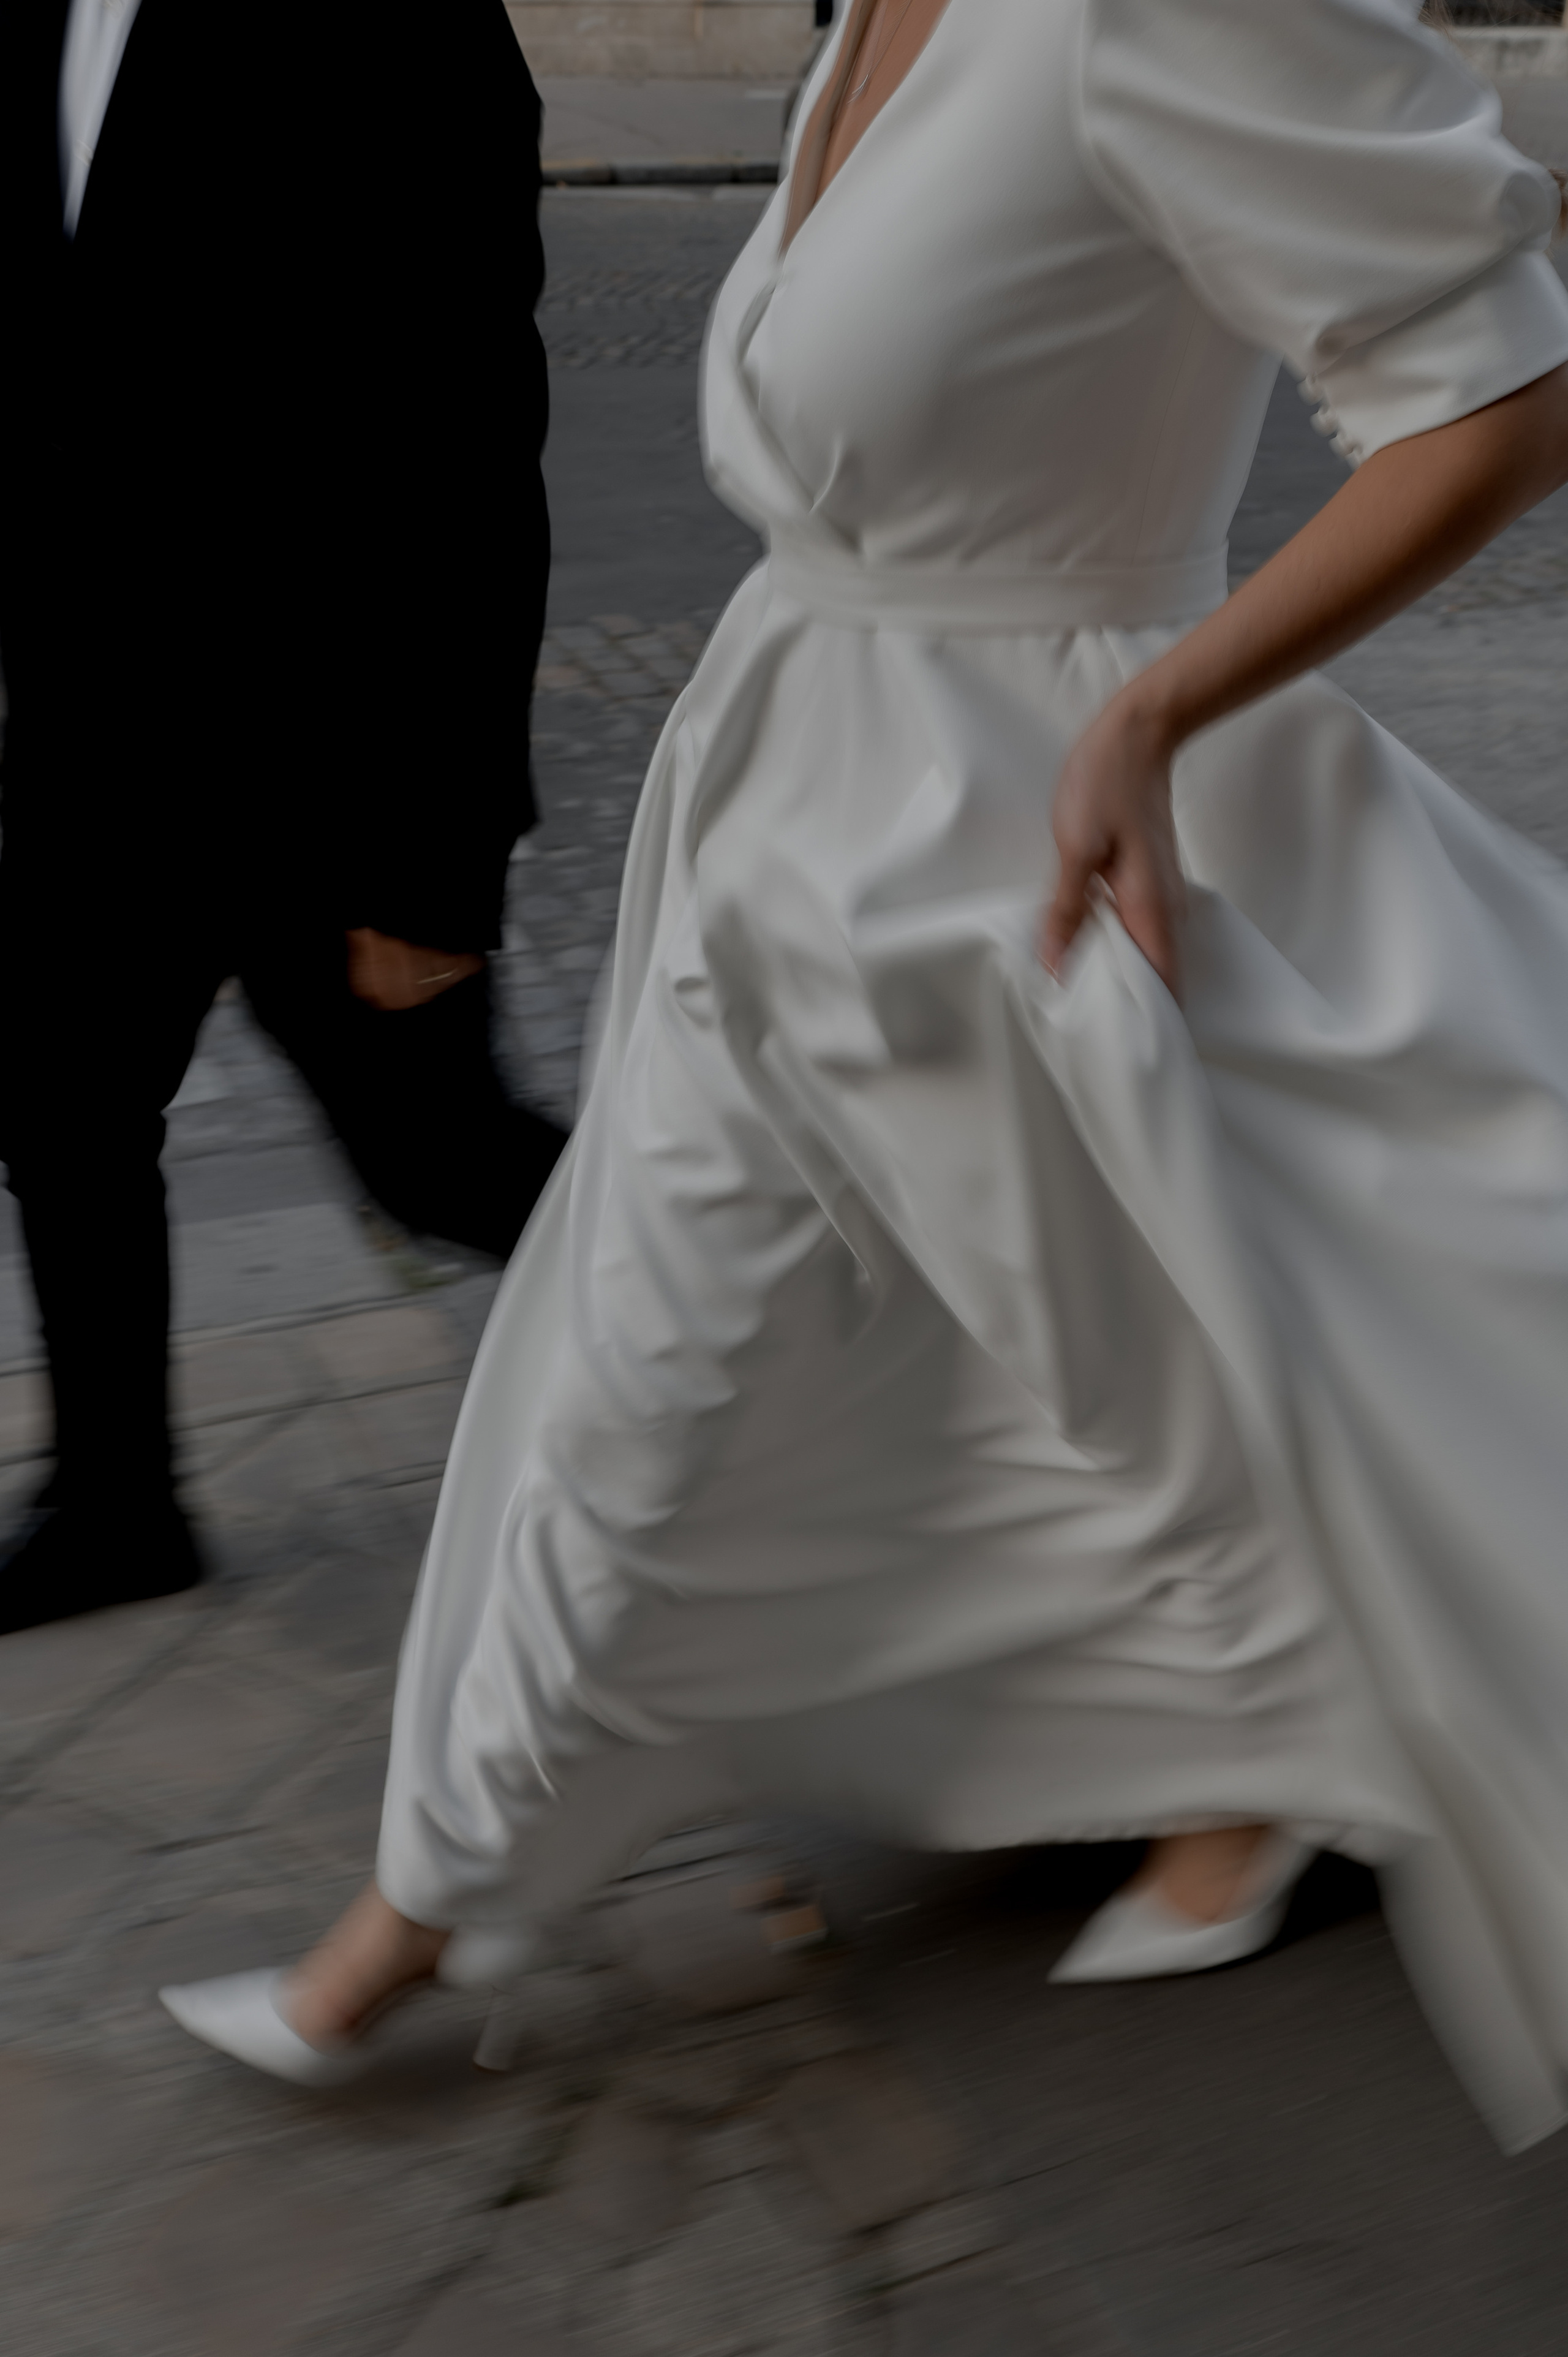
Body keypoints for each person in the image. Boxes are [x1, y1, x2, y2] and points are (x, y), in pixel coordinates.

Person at [163, 0, 1568, 2151]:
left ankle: (1268, 1760)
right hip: (785, 821)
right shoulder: (872, 16)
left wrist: (1159, 712)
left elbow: (1497, 400)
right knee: (654, 1362)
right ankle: (415, 1913)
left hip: (1026, 864)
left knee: (1160, 1365)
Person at [0, 0, 564, 1635]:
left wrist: (437, 856)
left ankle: (771, 1352)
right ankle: (117, 1500)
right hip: (91, 753)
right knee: (60, 1106)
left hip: (325, 772)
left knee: (439, 1161)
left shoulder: (391, 19)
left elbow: (465, 449)